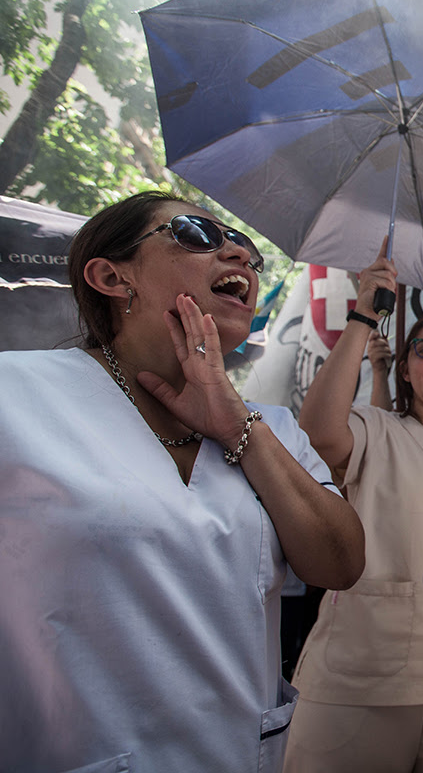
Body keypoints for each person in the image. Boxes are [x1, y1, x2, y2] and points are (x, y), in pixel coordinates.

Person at [0, 191, 365, 772]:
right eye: (198, 234)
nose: (241, 258)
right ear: (113, 276)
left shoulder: (273, 429)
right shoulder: (16, 395)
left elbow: (341, 563)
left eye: (250, 253)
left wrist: (235, 425)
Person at [285, 247, 423, 773]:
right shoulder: (377, 430)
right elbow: (319, 433)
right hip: (359, 678)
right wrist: (364, 314)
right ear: (407, 369)